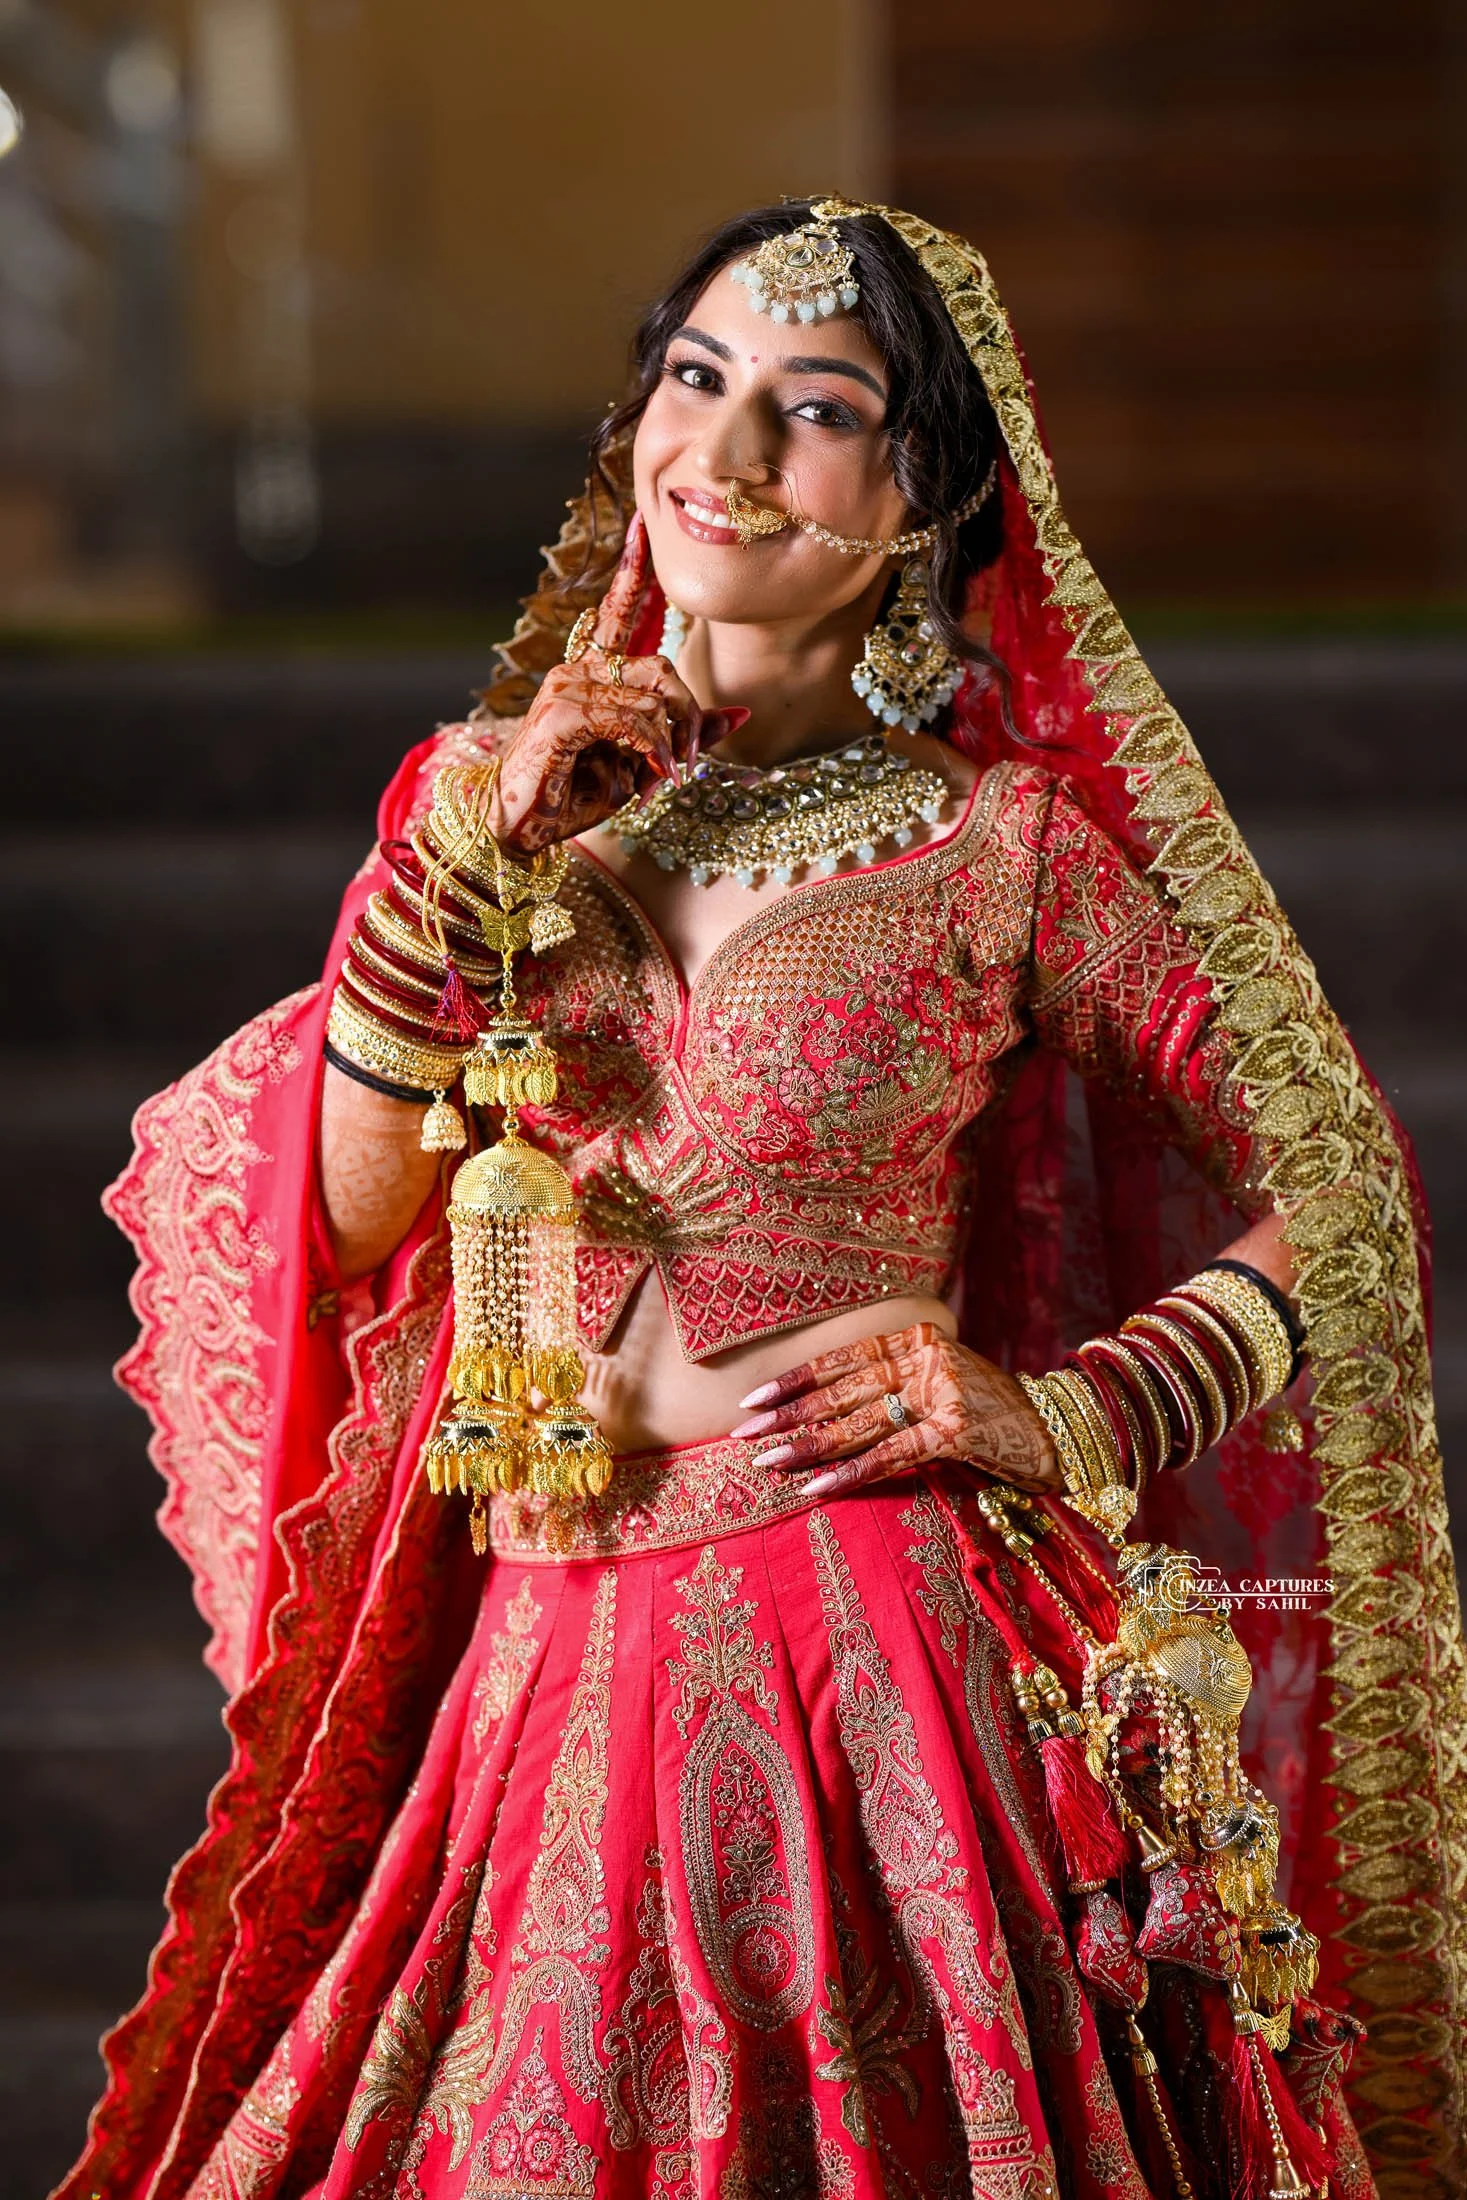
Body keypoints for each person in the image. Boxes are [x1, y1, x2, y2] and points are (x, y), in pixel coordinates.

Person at [59, 198, 1463, 2200]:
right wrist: (450, 885)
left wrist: (1080, 1406)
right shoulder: (495, 797)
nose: (717, 455)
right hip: (543, 1643)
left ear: (928, 499)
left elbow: (1339, 1174)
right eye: (692, 383)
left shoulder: (1002, 853)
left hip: (881, 1648)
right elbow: (342, 1217)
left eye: (808, 411)